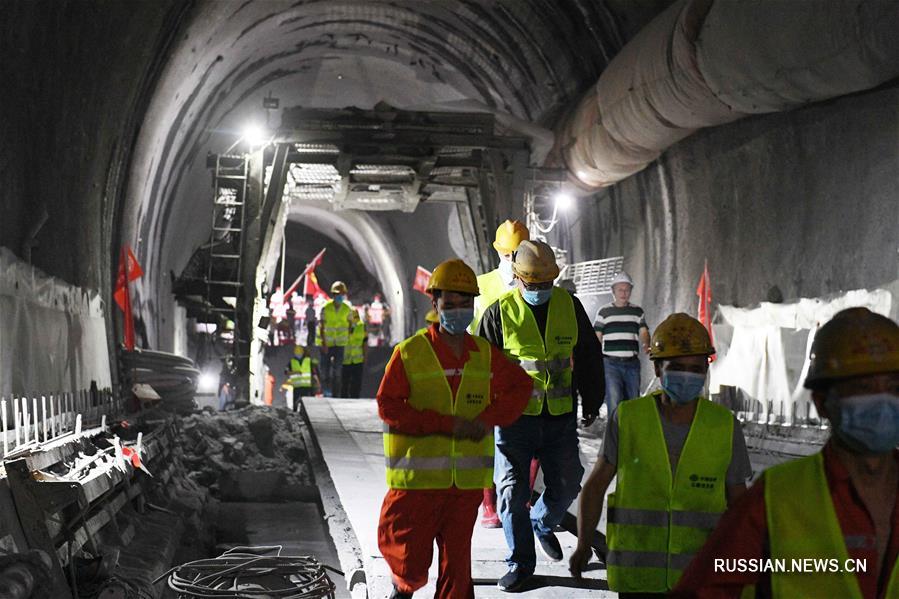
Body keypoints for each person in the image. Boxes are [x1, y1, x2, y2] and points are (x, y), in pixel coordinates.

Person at [672, 307, 899, 599]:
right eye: (863, 387)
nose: (883, 401)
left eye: (894, 387)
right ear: (822, 403)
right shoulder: (777, 498)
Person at [377, 258, 533, 599]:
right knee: (408, 559)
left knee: (458, 566)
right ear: (435, 304)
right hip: (418, 484)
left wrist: (488, 418)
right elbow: (388, 406)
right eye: (450, 303)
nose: (458, 311)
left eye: (465, 303)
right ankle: (403, 588)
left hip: (465, 486)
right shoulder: (410, 353)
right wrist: (445, 424)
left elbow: (521, 386)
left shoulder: (484, 355)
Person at [569, 313, 752, 596]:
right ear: (657, 368)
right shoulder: (628, 417)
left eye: (696, 368)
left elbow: (739, 502)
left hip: (700, 574)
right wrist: (583, 543)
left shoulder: (725, 426)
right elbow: (595, 486)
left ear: (706, 369)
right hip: (637, 574)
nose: (687, 376)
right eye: (677, 367)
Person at [477, 239, 605, 592]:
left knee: (567, 482)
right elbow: (481, 368)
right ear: (517, 277)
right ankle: (520, 564)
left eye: (546, 283)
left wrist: (593, 399)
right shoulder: (498, 314)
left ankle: (542, 520)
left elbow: (589, 354)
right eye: (532, 284)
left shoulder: (569, 306)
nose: (539, 289)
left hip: (559, 417)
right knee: (511, 492)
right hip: (514, 421)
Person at [473, 219, 531, 528]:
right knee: (487, 442)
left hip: (522, 375)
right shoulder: (481, 286)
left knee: (523, 442)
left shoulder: (535, 284)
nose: (512, 260)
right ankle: (489, 503)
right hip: (487, 374)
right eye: (508, 255)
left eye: (517, 254)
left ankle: (521, 499)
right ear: (498, 252)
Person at [594, 271, 651, 415]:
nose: (624, 293)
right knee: (614, 401)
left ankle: (632, 428)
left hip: (632, 364)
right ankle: (614, 428)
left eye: (627, 289)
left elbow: (643, 331)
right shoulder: (604, 312)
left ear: (631, 291)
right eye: (620, 289)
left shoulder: (637, 312)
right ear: (613, 291)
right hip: (610, 364)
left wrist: (646, 344)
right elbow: (597, 336)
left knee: (633, 401)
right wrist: (594, 357)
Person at [319, 281, 353, 397]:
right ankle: (326, 392)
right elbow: (321, 326)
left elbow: (351, 324)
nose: (340, 297)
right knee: (325, 371)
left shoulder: (347, 309)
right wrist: (324, 343)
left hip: (340, 344)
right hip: (327, 344)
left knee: (338, 372)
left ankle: (335, 394)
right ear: (333, 295)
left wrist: (348, 337)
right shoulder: (326, 308)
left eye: (342, 294)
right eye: (338, 294)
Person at [341, 310, 367, 398]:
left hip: (357, 359)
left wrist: (365, 356)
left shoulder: (362, 326)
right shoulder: (343, 327)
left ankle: (355, 398)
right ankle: (344, 398)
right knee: (345, 382)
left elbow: (365, 342)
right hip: (345, 360)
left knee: (356, 382)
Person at [286, 344, 319, 410]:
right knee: (296, 404)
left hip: (306, 386)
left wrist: (317, 383)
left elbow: (314, 373)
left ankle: (303, 412)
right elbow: (286, 372)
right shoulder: (292, 362)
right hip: (297, 386)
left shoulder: (308, 361)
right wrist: (295, 372)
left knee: (306, 404)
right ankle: (296, 413)